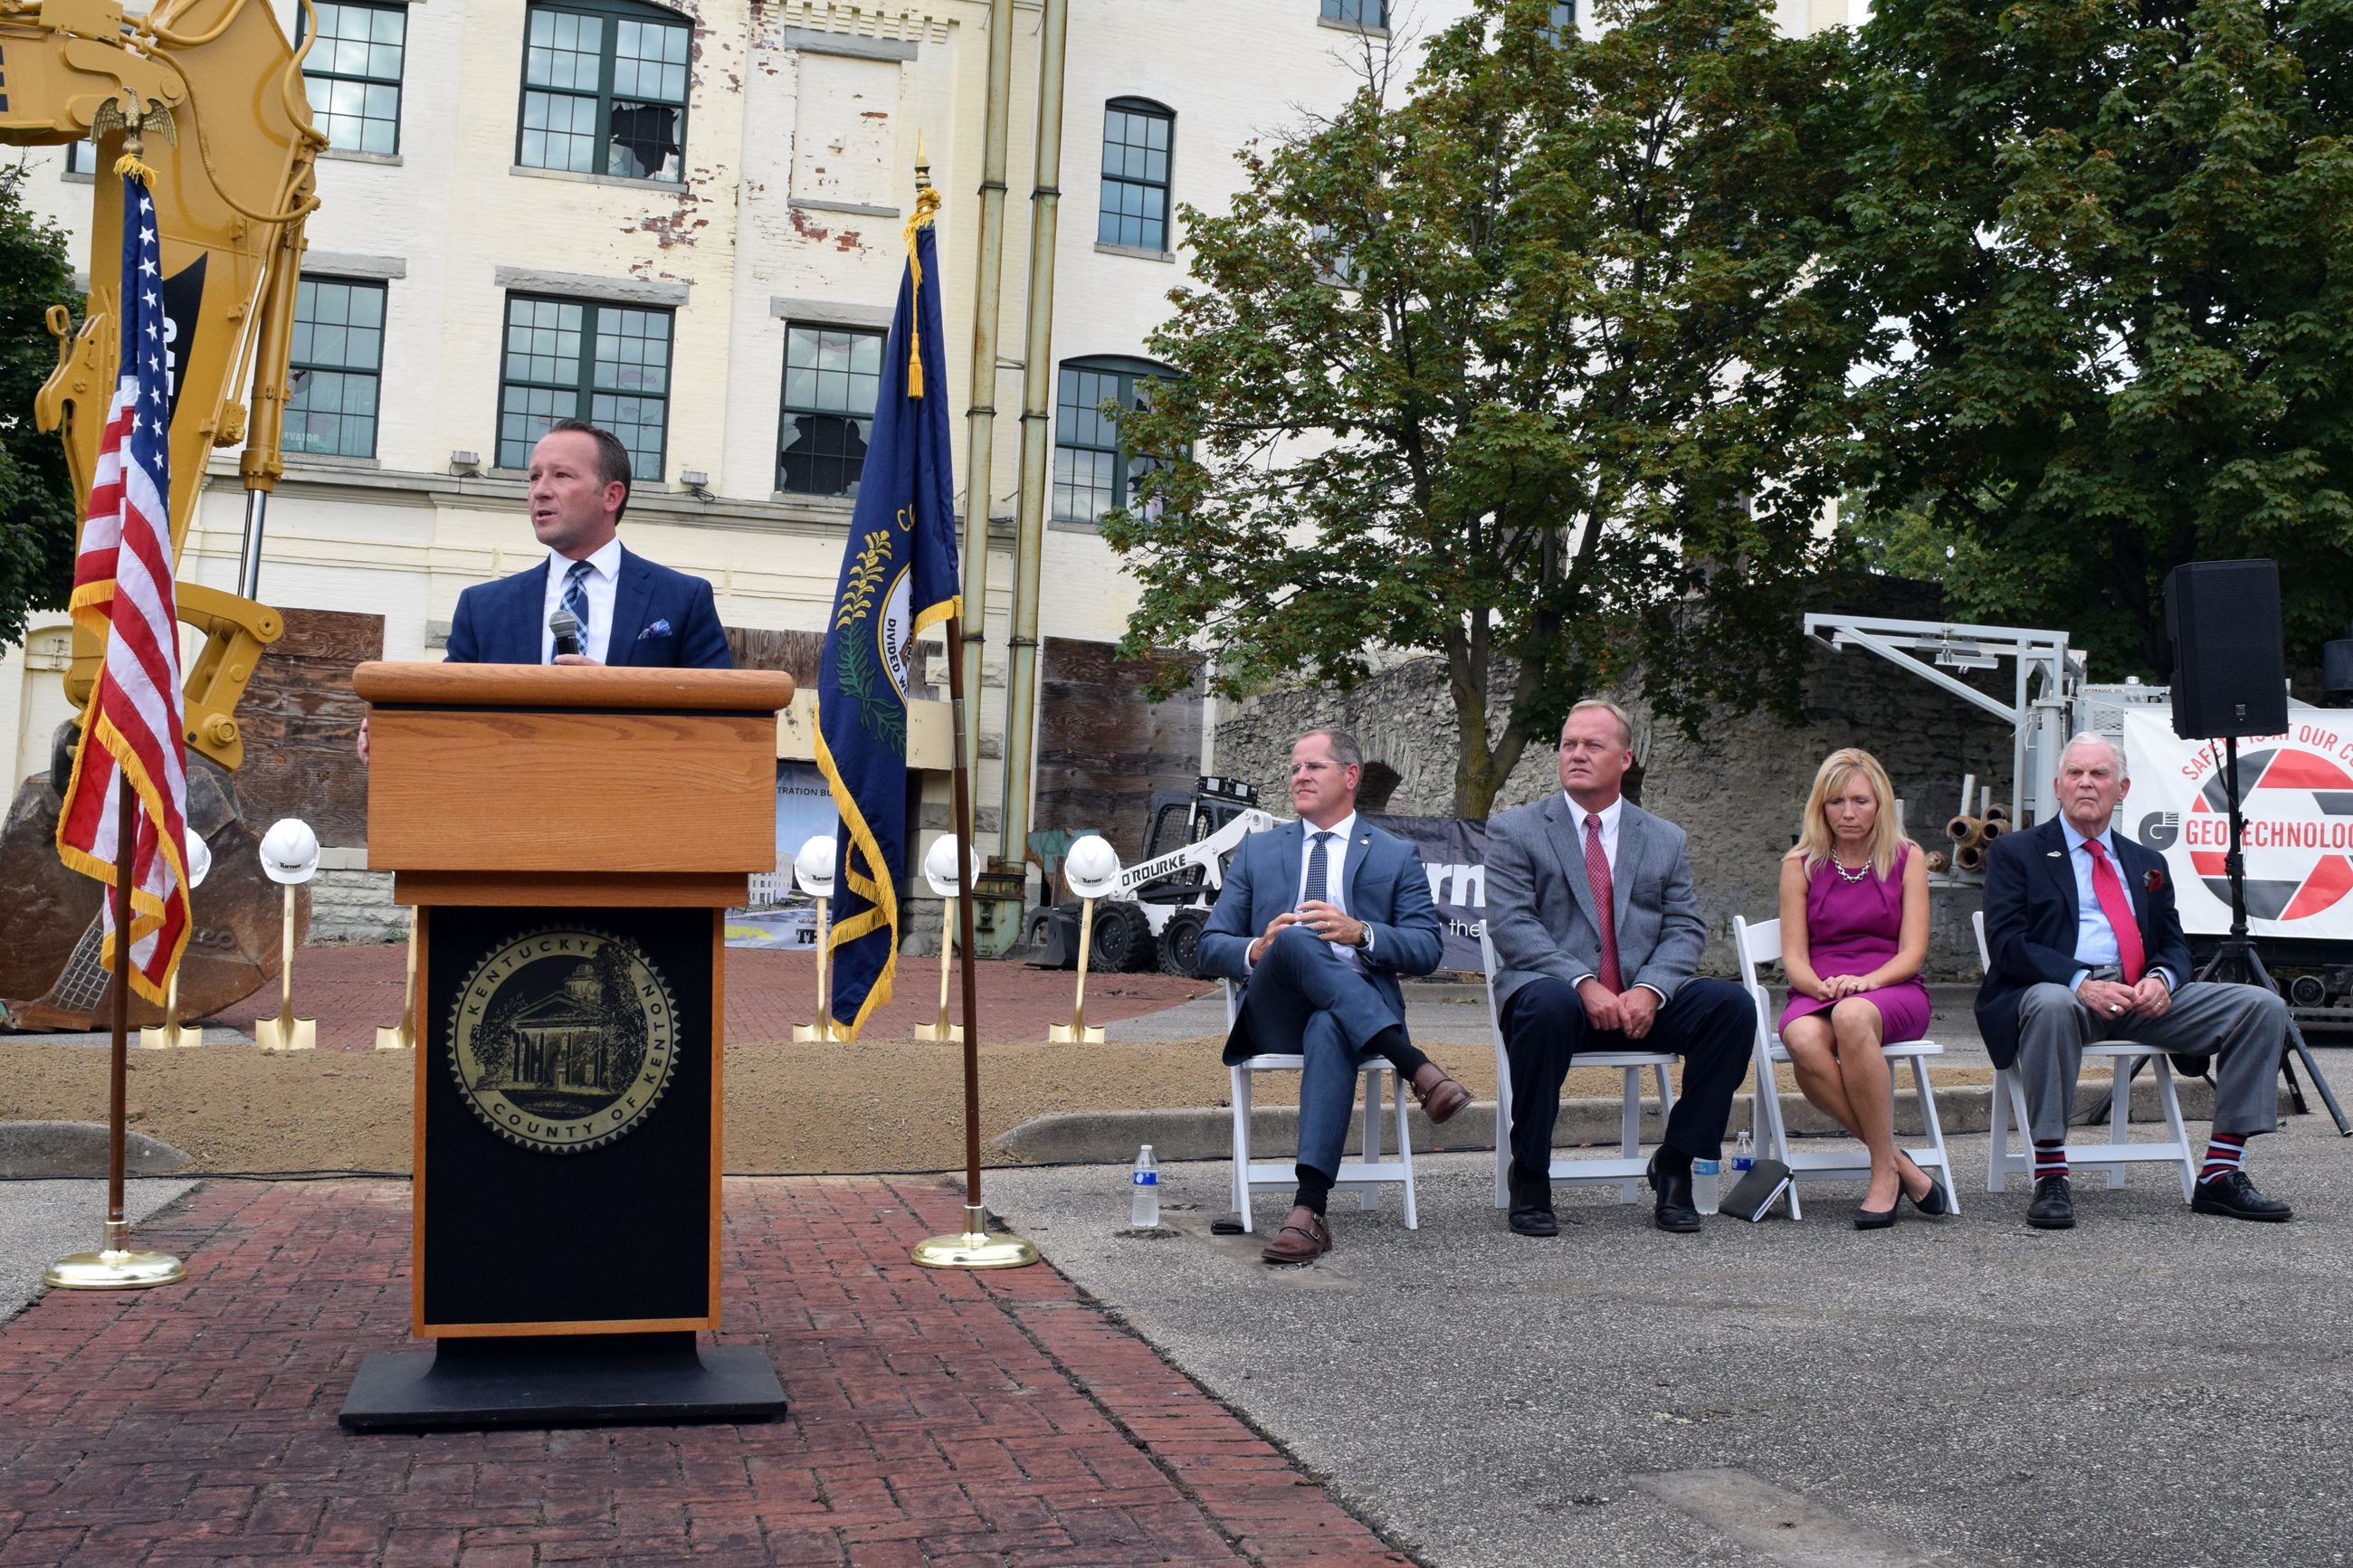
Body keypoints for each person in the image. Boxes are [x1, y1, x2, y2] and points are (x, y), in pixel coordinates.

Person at [1977, 732, 2292, 1229]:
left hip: (2139, 998)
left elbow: (2173, 944)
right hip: (2064, 997)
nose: (2086, 783)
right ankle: (2052, 1174)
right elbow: (2009, 945)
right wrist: (2081, 982)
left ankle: (2219, 1174)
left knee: (2261, 1006)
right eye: (2075, 774)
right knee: (2052, 1003)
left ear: (2121, 789)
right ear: (2057, 786)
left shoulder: (2147, 862)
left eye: (2099, 774)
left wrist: (2164, 979)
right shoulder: (2019, 852)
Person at [1199, 727, 1470, 1265]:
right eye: (1295, 767)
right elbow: (1209, 946)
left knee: (1331, 1023)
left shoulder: (1394, 854)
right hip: (1277, 1010)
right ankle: (1416, 1065)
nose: (1299, 776)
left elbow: (1425, 948)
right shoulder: (1257, 852)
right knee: (1296, 938)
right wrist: (1260, 947)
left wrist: (1361, 933)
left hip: (1353, 1017)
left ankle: (1308, 1210)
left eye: (1313, 766)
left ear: (1350, 777)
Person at [1485, 698, 1755, 1235]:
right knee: (1546, 1002)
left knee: (1732, 1007)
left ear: (1625, 759)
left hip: (1638, 1005)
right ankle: (1531, 1174)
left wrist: (1651, 990)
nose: (1576, 754)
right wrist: (1582, 983)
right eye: (1568, 744)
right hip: (1555, 1000)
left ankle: (1675, 1163)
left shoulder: (1663, 837)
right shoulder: (1515, 830)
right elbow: (1514, 927)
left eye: (1592, 745)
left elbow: (1685, 929)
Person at [1777, 747, 1951, 1229]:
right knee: (1802, 1038)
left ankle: (1882, 1174)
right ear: (1820, 807)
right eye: (1836, 802)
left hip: (1892, 987)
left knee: (1853, 1016)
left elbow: (1912, 953)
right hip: (1821, 989)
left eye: (1860, 801)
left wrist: (1865, 984)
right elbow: (1794, 958)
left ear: (1881, 804)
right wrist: (1825, 988)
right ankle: (1900, 1162)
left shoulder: (1907, 857)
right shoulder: (1800, 863)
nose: (1848, 813)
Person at [444, 419, 730, 668]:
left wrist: (615, 692)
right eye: (534, 477)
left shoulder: (683, 599)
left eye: (561, 475)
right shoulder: (482, 607)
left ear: (611, 496)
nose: (540, 491)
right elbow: (444, 712)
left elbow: (718, 709)